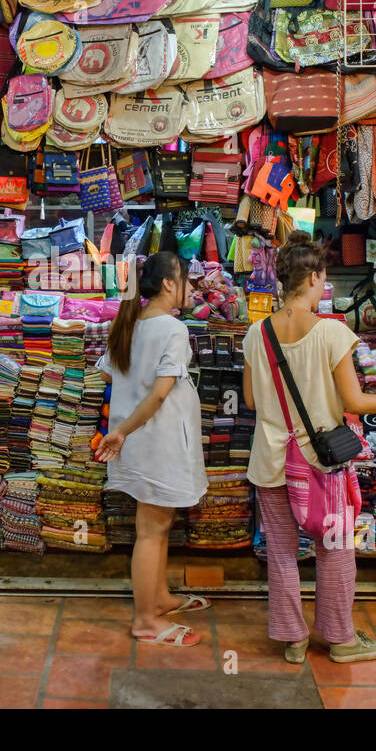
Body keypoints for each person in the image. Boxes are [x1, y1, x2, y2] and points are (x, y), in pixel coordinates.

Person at [243, 233, 376, 665]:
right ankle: (340, 639)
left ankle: (293, 639)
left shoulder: (255, 334)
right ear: (315, 277)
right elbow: (355, 402)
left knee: (281, 551)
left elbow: (250, 401)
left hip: (271, 460)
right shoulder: (332, 333)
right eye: (322, 279)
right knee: (334, 546)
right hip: (321, 463)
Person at [95, 251, 210, 647]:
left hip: (144, 442)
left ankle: (157, 598)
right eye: (186, 280)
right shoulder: (172, 330)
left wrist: (123, 431)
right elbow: (160, 394)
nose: (191, 288)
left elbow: (119, 379)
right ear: (168, 284)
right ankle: (145, 619)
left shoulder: (132, 323)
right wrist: (122, 431)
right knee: (151, 530)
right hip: (153, 441)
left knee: (157, 527)